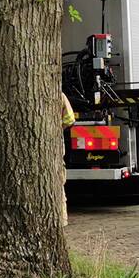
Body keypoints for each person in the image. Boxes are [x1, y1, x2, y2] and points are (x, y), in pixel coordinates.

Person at [60, 92, 76, 228]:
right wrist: (60, 128)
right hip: (56, 146)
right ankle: (62, 219)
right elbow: (70, 119)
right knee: (59, 182)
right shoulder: (59, 95)